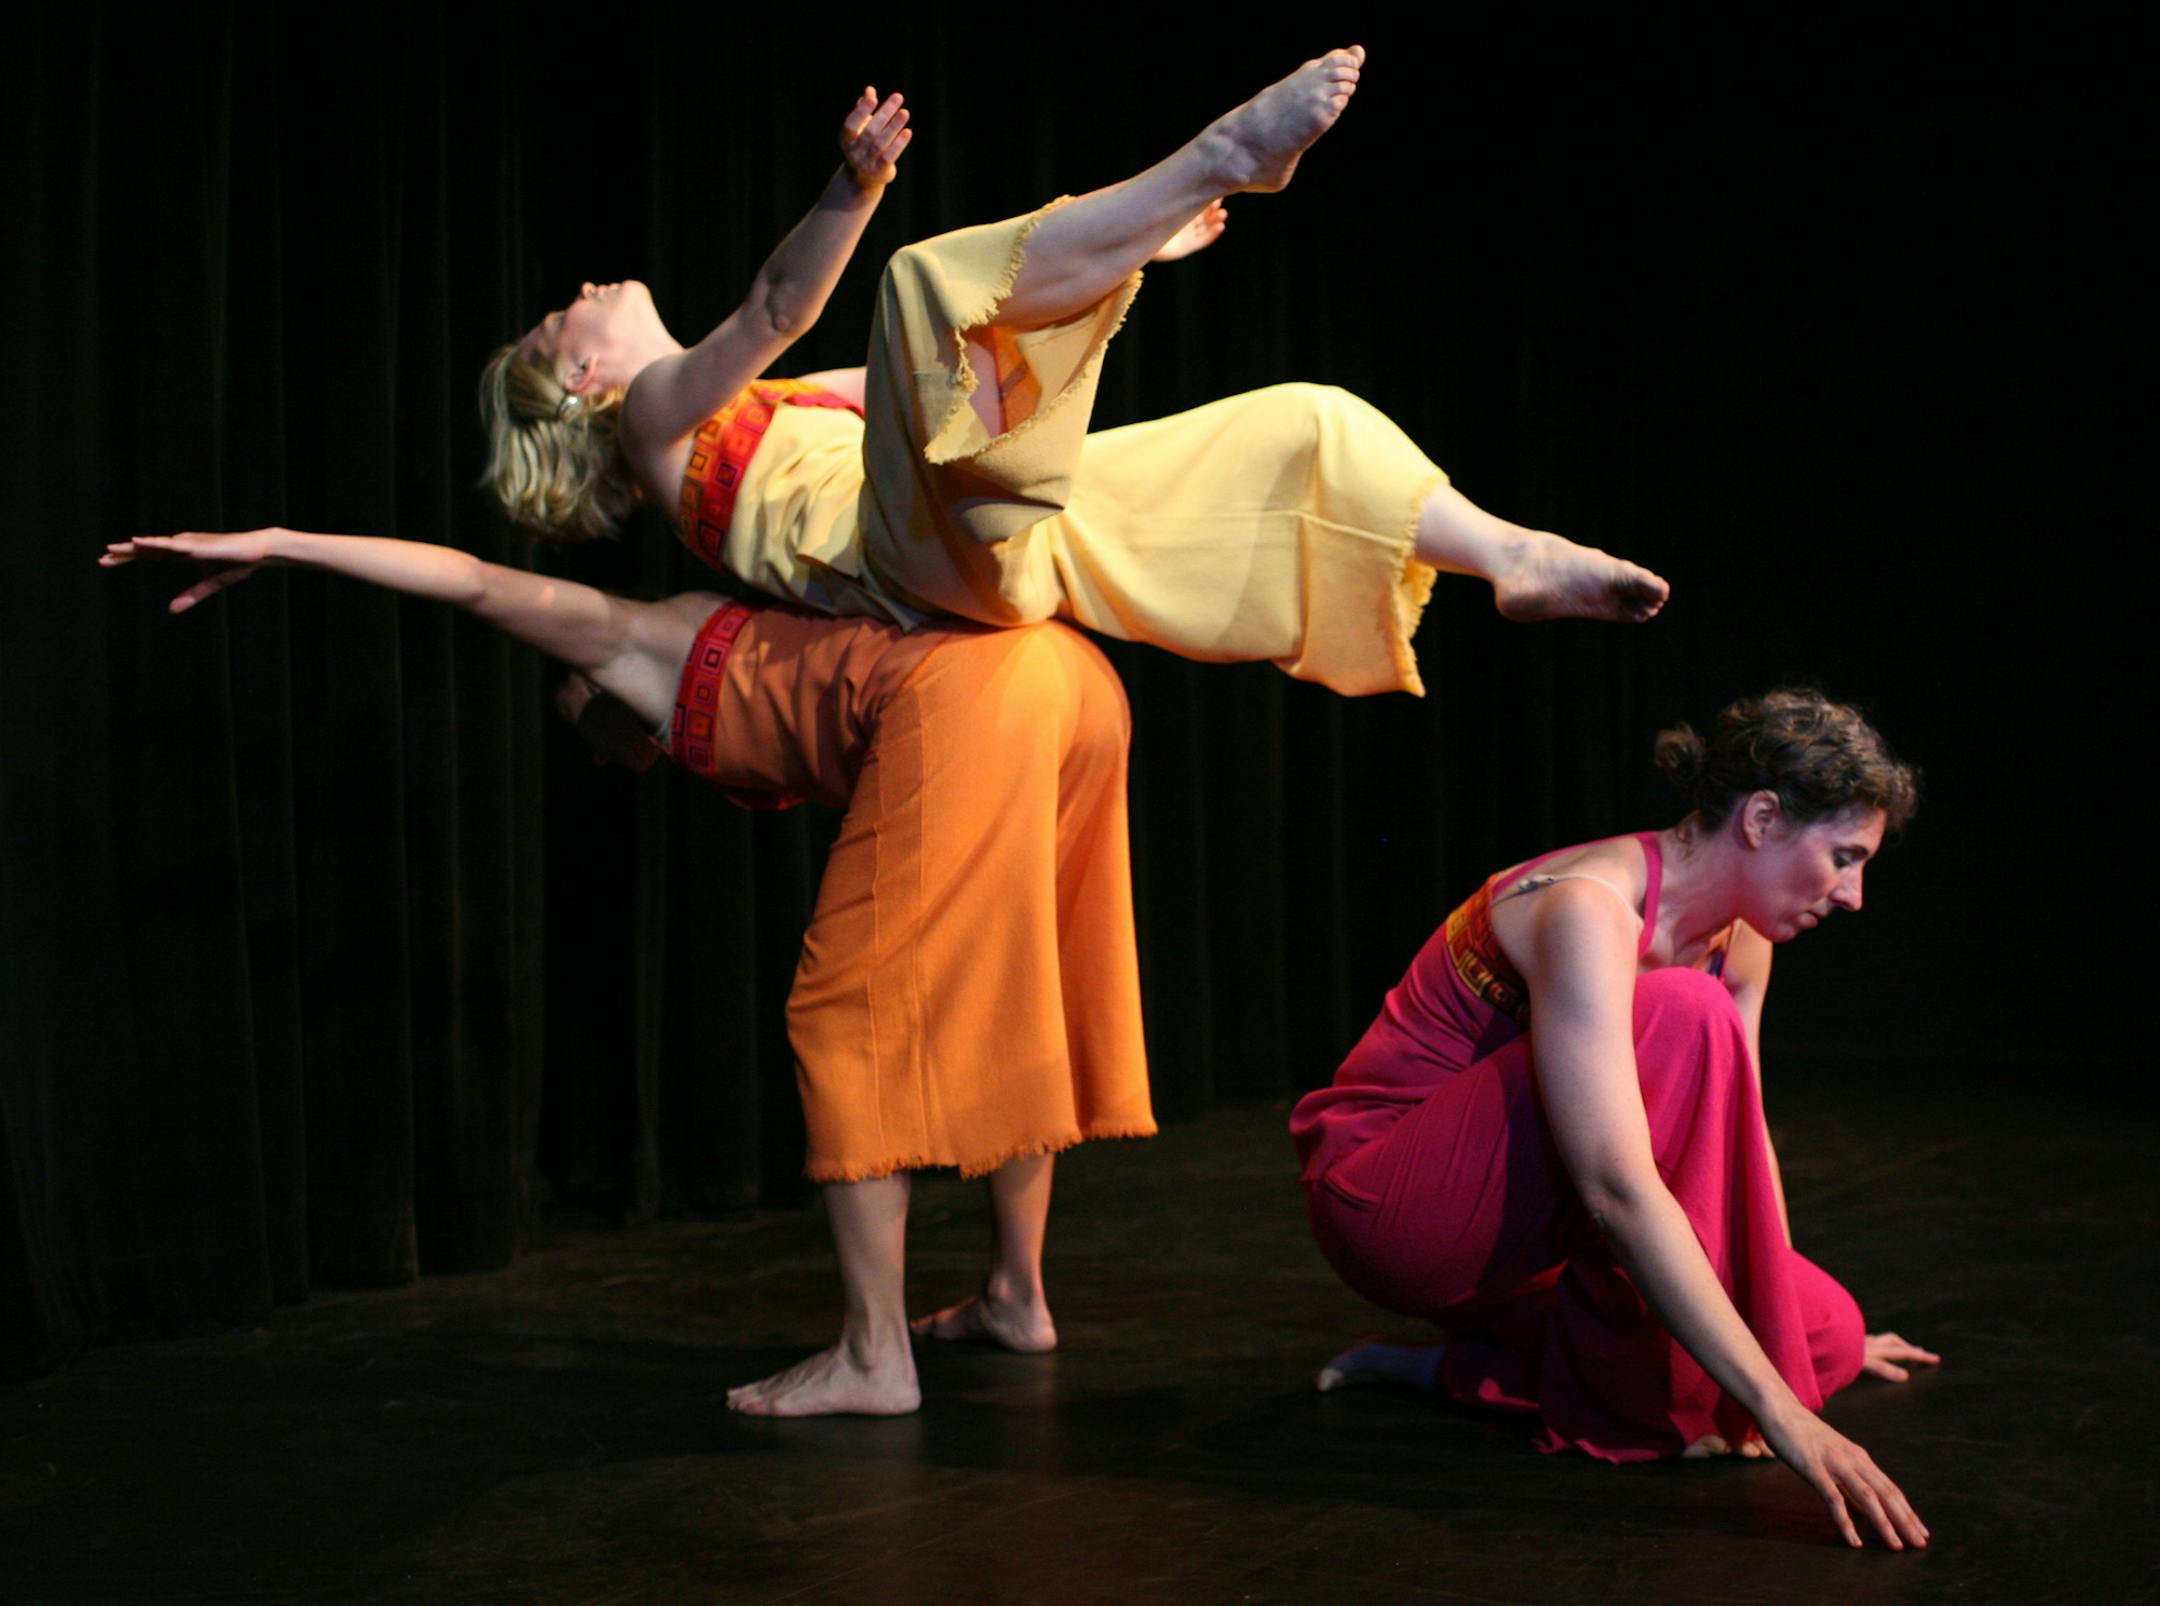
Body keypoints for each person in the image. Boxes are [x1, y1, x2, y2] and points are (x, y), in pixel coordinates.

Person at [101, 527, 1154, 1418]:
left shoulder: (633, 637)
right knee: (1022, 988)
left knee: (847, 1015)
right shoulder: (730, 656)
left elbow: (470, 581)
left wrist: (278, 547)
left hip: (976, 696)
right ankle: (1017, 1295)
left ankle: (876, 1355)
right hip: (1066, 678)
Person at [479, 47, 1670, 700]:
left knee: (1300, 421)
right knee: (912, 281)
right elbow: (778, 307)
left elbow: (939, 364)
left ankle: (1508, 554)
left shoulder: (755, 418)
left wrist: (1140, 247)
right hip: (907, 559)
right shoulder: (650, 419)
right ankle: (1219, 153)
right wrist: (853, 189)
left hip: (982, 542)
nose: (576, 294)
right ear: (582, 378)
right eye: (554, 320)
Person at [1290, 690, 1939, 1549]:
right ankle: (1555, 1363)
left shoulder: (1745, 939)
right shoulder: (1589, 907)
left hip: (1531, 1217)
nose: (1854, 895)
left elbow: (1739, 1138)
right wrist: (1782, 1414)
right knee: (1683, 1013)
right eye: (1844, 858)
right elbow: (1618, 1189)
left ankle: (1449, 1369)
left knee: (1828, 1330)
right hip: (1398, 1206)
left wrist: (1780, 1307)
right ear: (1763, 818)